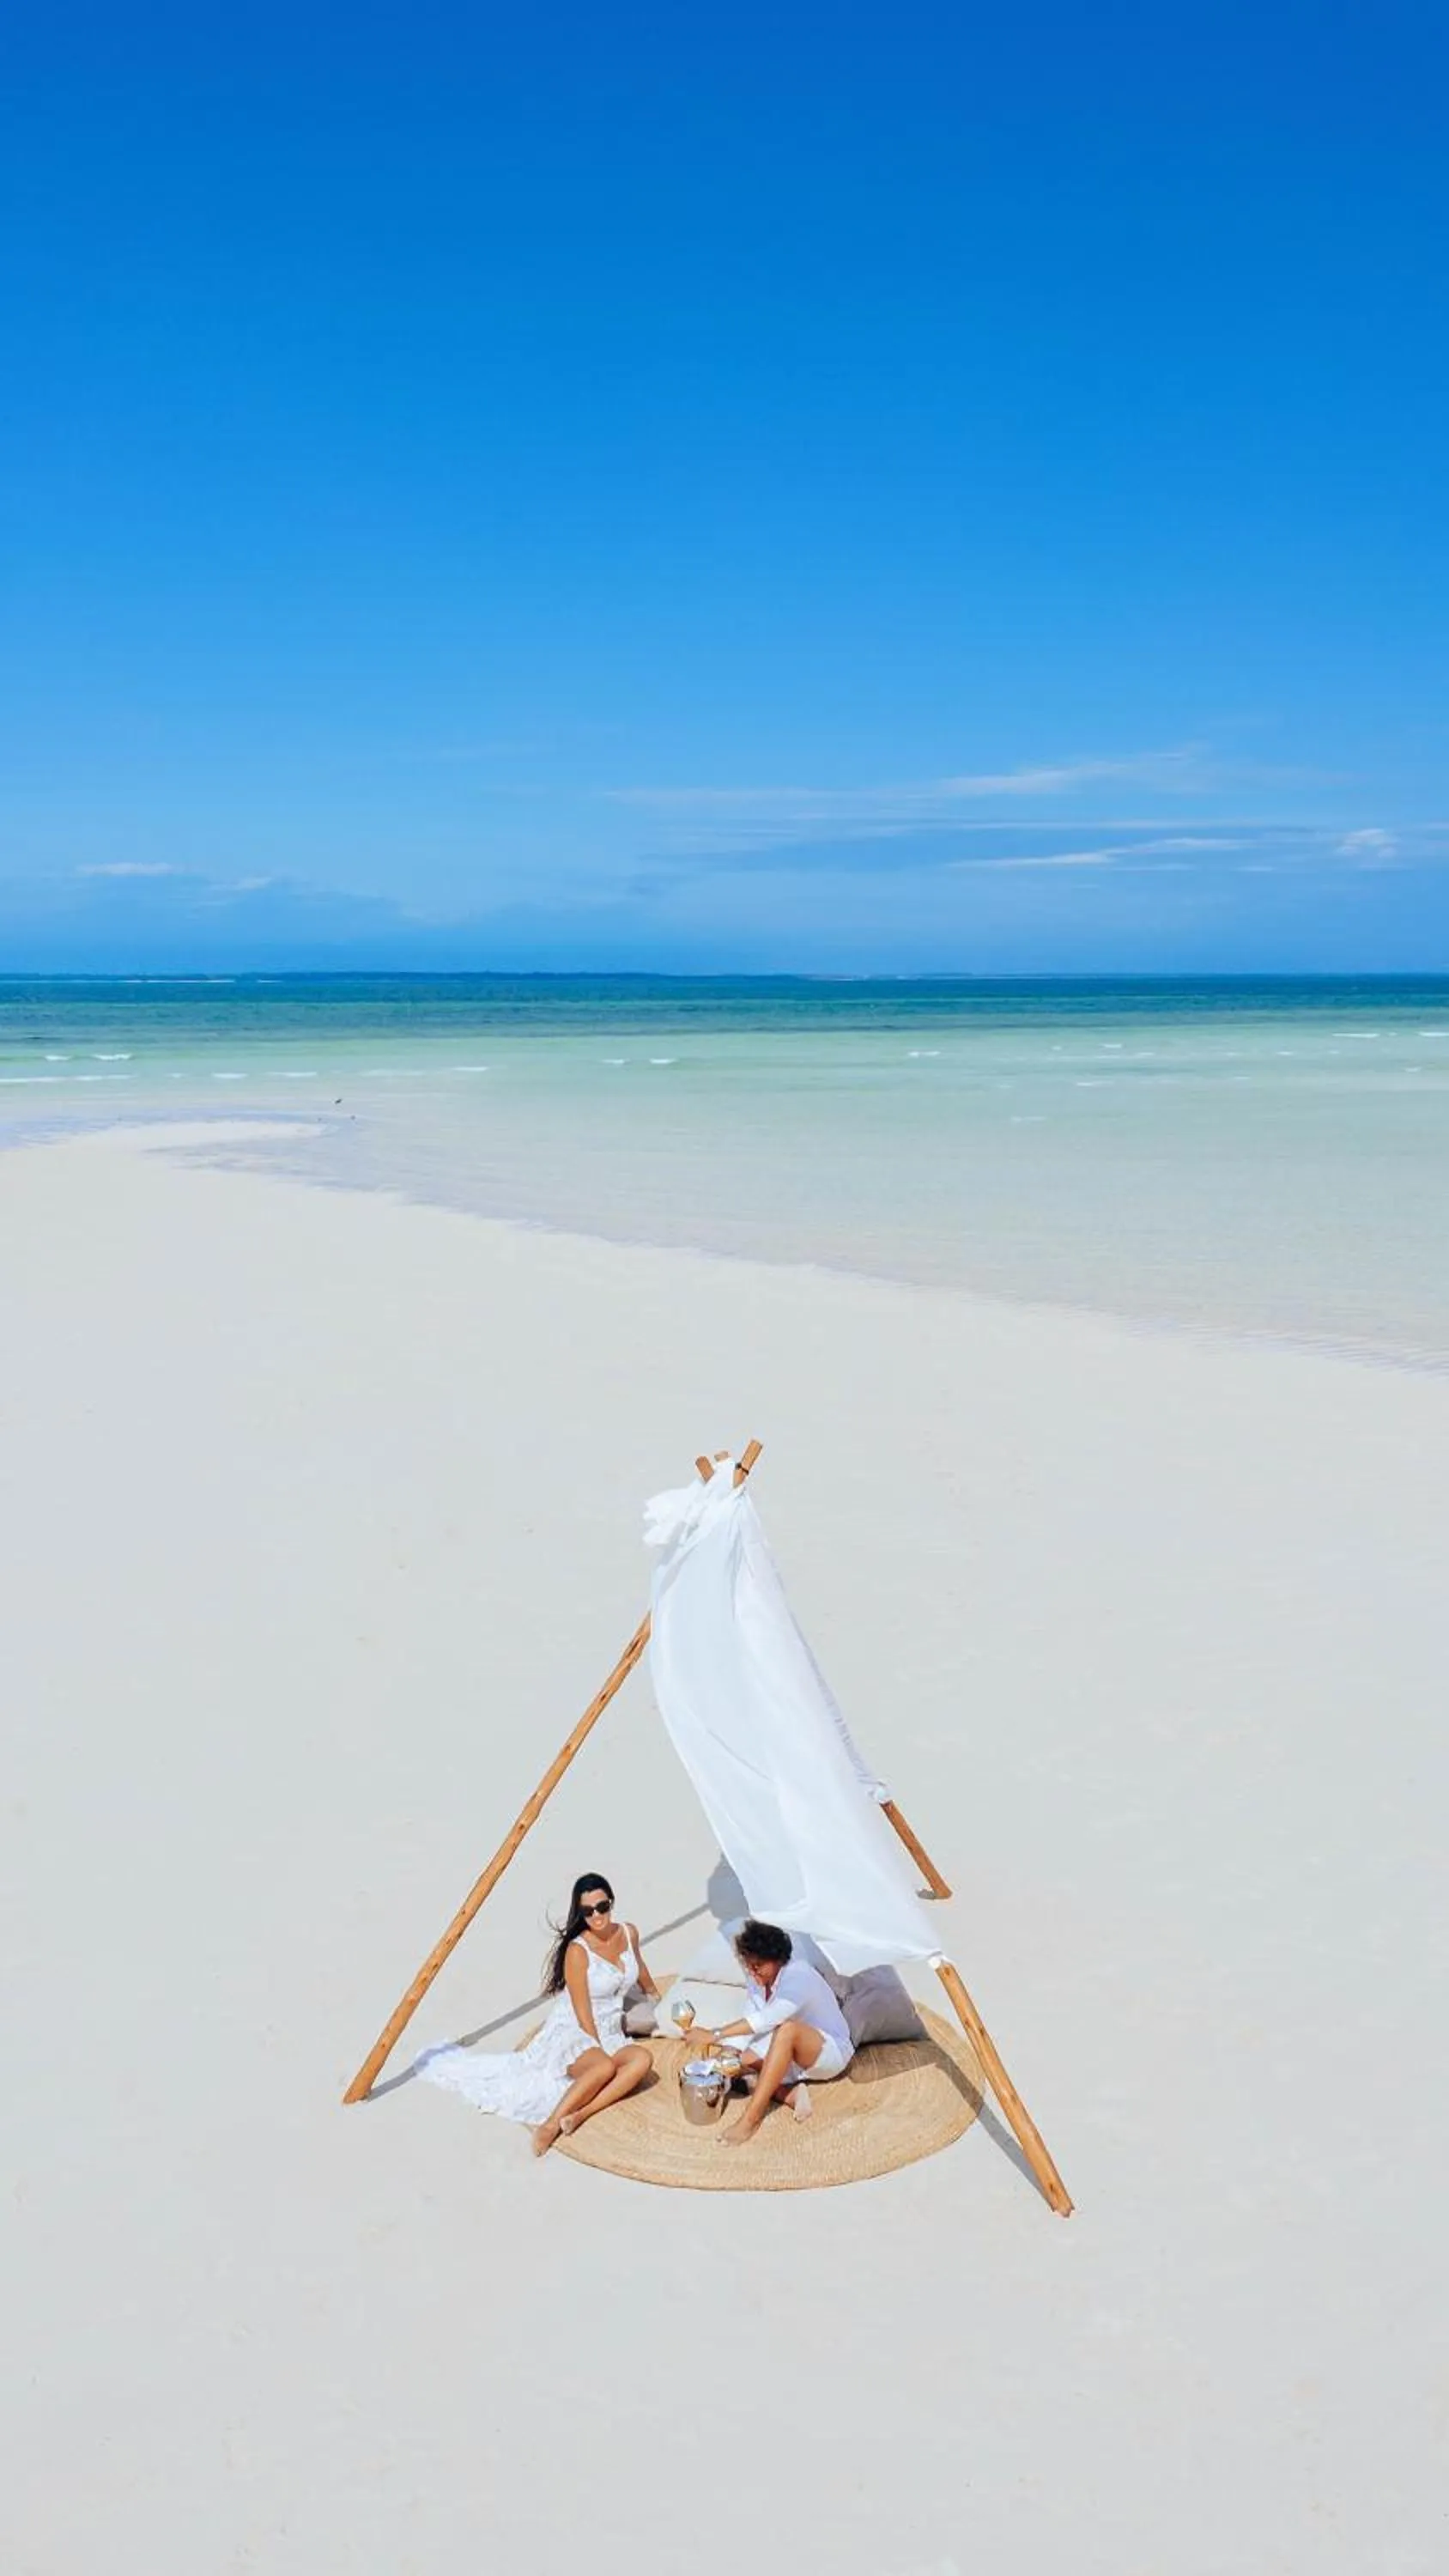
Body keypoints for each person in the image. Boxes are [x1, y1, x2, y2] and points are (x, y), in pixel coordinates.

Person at [415, 1872, 658, 2156]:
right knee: (603, 2069)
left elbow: (640, 1968)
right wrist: (599, 2050)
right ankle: (552, 2125)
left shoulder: (628, 1933)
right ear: (580, 1914)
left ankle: (581, 2114)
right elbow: (582, 2012)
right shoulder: (578, 1951)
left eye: (602, 1907)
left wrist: (656, 1997)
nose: (597, 1916)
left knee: (643, 2060)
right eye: (588, 1911)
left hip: (613, 2028)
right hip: (577, 2030)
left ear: (612, 1903)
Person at [699, 1919, 854, 2145]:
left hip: (829, 2053)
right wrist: (728, 2054)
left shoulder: (800, 1975)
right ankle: (790, 2094)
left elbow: (765, 2020)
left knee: (787, 2031)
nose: (752, 1972)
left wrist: (714, 2035)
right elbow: (748, 2023)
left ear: (777, 1959)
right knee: (734, 2061)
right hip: (788, 2051)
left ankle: (750, 2120)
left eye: (758, 1966)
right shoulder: (759, 1979)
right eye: (749, 1965)